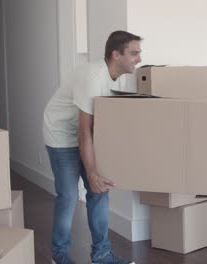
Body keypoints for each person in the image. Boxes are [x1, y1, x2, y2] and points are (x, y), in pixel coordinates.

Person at [43, 30, 142, 264]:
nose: (139, 58)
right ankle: (59, 255)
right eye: (134, 53)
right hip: (61, 133)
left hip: (84, 133)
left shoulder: (118, 75)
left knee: (99, 191)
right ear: (116, 54)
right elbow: (82, 131)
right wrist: (91, 172)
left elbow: (102, 121)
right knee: (68, 195)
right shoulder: (93, 76)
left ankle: (102, 255)